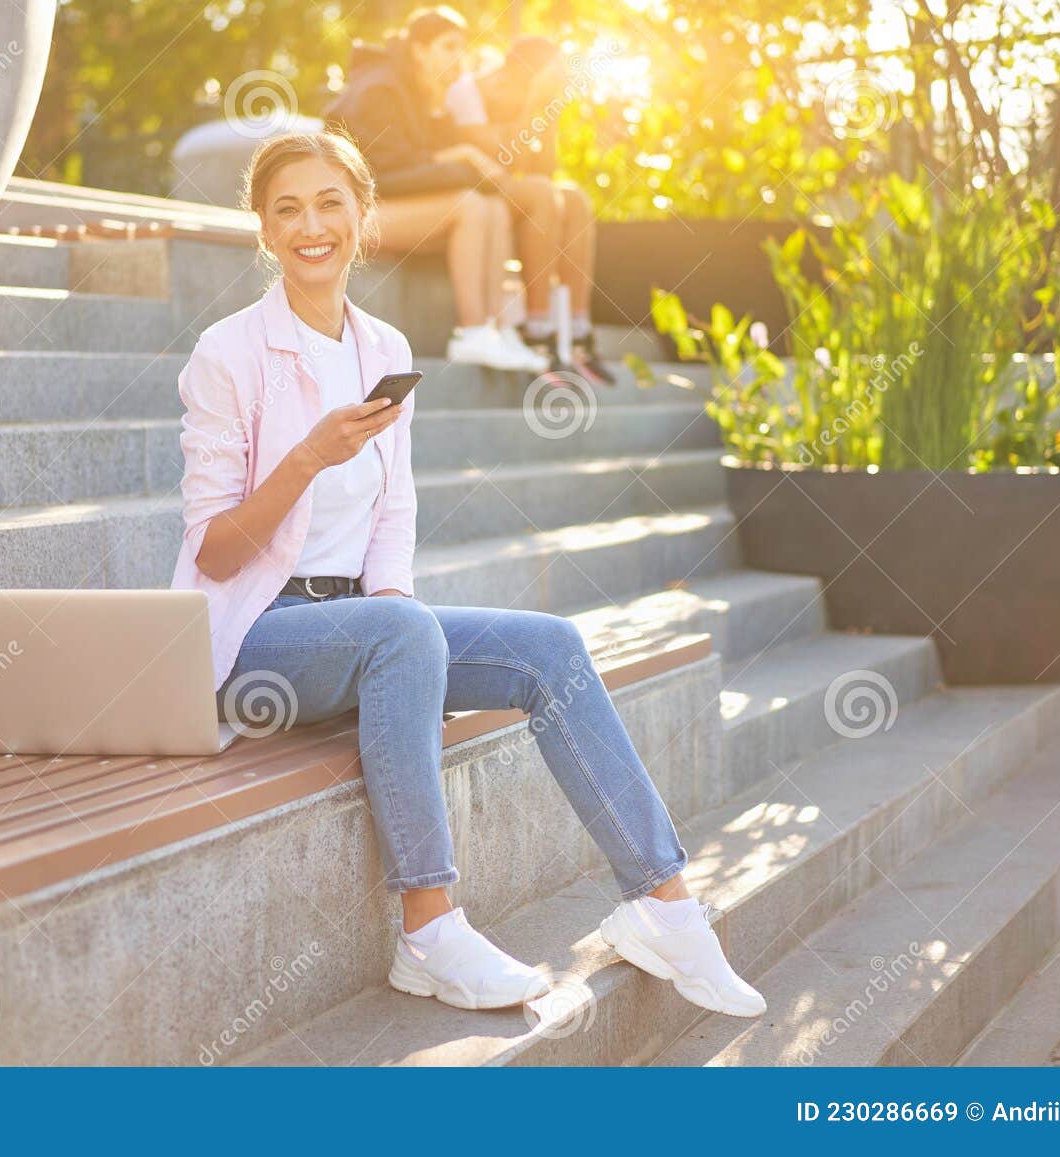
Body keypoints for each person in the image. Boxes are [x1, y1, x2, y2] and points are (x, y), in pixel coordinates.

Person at [170, 128, 765, 1018]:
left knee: (552, 648)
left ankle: (665, 907)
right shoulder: (227, 353)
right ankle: (429, 926)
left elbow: (394, 511)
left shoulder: (382, 345)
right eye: (286, 209)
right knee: (401, 631)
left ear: (363, 216)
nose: (311, 225)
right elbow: (213, 550)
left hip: (365, 626)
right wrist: (303, 460)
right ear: (263, 229)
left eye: (330, 202)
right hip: (252, 637)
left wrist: (396, 616)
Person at [323, 7, 547, 374]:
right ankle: (471, 333)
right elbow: (382, 174)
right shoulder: (380, 88)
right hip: (347, 213)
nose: (458, 58)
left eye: (462, 48)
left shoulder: (418, 92)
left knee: (492, 206)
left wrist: (466, 157)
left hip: (385, 207)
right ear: (418, 49)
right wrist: (464, 165)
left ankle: (499, 330)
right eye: (448, 47)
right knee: (470, 205)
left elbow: (420, 158)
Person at [444, 34, 617, 386]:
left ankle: (578, 330)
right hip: (472, 186)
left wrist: (547, 115)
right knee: (541, 194)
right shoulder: (470, 91)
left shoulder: (538, 101)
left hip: (507, 186)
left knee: (575, 199)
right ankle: (537, 328)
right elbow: (495, 157)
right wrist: (530, 108)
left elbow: (544, 169)